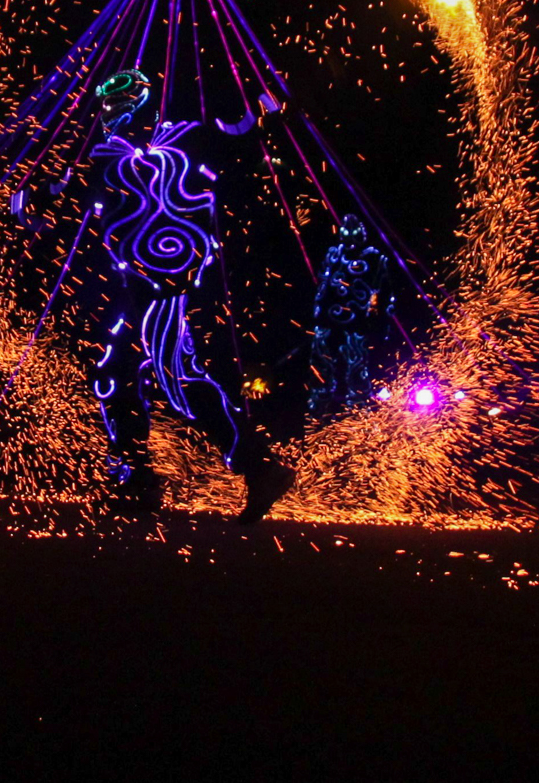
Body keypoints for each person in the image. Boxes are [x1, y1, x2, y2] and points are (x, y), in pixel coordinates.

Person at [74, 68, 296, 521]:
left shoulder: (180, 140)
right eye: (106, 106)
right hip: (137, 281)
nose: (108, 114)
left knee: (171, 381)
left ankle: (253, 465)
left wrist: (267, 100)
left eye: (117, 105)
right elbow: (81, 197)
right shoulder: (109, 155)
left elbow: (240, 136)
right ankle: (137, 476)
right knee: (123, 373)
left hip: (163, 283)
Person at [307, 213, 394, 415]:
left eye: (353, 232)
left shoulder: (374, 257)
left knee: (356, 361)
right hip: (329, 319)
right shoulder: (333, 254)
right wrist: (318, 310)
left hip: (358, 320)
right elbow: (323, 283)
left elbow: (384, 291)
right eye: (346, 232)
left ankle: (358, 402)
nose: (349, 237)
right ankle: (320, 401)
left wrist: (381, 319)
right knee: (323, 361)